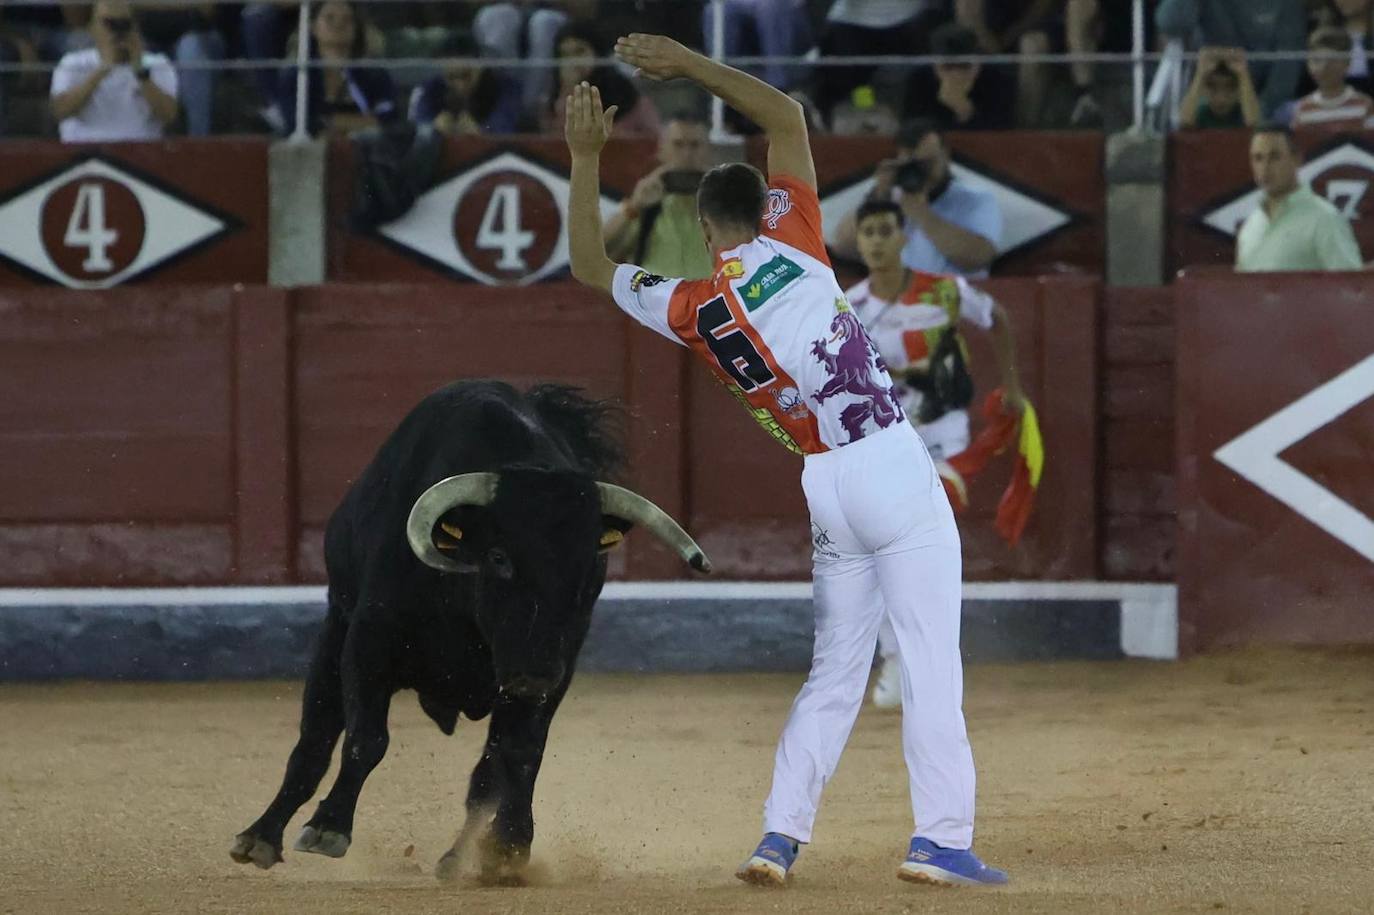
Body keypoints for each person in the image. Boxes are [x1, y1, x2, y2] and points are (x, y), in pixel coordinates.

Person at [564, 34, 1008, 888]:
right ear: (766, 207)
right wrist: (689, 63)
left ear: (704, 230)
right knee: (928, 660)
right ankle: (940, 839)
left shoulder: (693, 304)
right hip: (889, 462)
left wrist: (586, 158)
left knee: (834, 673)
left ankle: (778, 836)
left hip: (824, 485)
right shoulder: (798, 237)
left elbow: (591, 263)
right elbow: (787, 116)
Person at [845, 198, 1026, 709]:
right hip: (883, 437)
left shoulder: (944, 291)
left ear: (904, 237)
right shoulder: (848, 306)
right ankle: (900, 658)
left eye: (885, 231)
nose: (877, 241)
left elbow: (996, 317)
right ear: (859, 242)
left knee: (918, 539)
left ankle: (921, 658)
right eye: (868, 232)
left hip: (942, 433)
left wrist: (1012, 387)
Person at [832, 119, 1002, 277]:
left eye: (927, 163)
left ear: (946, 155)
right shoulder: (886, 200)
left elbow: (979, 257)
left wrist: (921, 214)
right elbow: (843, 246)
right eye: (913, 164)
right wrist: (878, 196)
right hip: (897, 295)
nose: (921, 172)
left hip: (952, 295)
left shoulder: (976, 199)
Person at [601, 114, 714, 279]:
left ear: (709, 151)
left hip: (711, 293)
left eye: (695, 145)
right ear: (662, 150)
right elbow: (599, 252)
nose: (687, 154)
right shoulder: (647, 204)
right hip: (657, 293)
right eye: (678, 145)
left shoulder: (723, 205)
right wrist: (634, 206)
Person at [1236, 124, 1362, 271]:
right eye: (1258, 158)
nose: (1265, 167)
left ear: (1296, 159)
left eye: (1275, 157)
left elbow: (1350, 282)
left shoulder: (1325, 219)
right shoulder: (1250, 226)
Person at [50, 0, 178, 142]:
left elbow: (169, 116)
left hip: (141, 148)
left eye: (124, 24)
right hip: (85, 148)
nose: (117, 32)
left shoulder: (157, 63)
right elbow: (60, 111)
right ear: (92, 28)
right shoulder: (73, 62)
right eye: (109, 23)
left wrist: (140, 71)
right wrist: (102, 70)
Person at [1156, 0, 1306, 119]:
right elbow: (1170, 25)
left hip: (1266, 103)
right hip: (1207, 95)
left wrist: (1261, 114)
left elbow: (1288, 63)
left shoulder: (1286, 4)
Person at [275, 0, 397, 137]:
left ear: (356, 28)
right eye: (330, 18)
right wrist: (362, 122)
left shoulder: (373, 73)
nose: (339, 24)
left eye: (347, 19)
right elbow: (298, 123)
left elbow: (389, 119)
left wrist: (329, 121)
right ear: (313, 27)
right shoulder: (297, 74)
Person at [542, 20, 659, 138]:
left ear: (597, 53)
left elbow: (653, 137)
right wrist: (568, 92)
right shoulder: (552, 102)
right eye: (565, 55)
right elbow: (557, 140)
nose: (573, 61)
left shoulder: (627, 96)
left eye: (579, 52)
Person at [904, 22, 1014, 130]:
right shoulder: (919, 81)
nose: (957, 74)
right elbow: (913, 132)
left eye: (965, 66)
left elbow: (1001, 134)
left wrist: (964, 109)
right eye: (948, 66)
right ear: (934, 66)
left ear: (978, 63)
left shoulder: (998, 80)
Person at [410, 34, 525, 134]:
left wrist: (483, 130)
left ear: (481, 67)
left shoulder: (506, 87)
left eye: (466, 76)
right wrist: (432, 127)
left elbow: (505, 125)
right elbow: (416, 125)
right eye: (451, 77)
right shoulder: (430, 88)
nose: (460, 85)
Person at [1292, 26, 1374, 131]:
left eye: (1332, 61)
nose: (1324, 68)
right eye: (1316, 60)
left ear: (1347, 63)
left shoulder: (1365, 105)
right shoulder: (1303, 109)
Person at [1179, 46, 1261, 129]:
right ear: (1202, 89)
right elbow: (1184, 121)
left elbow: (1254, 123)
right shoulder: (1200, 112)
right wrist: (1200, 73)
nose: (1221, 98)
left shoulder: (1245, 112)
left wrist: (1243, 73)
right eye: (1212, 87)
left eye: (1230, 88)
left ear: (1240, 90)